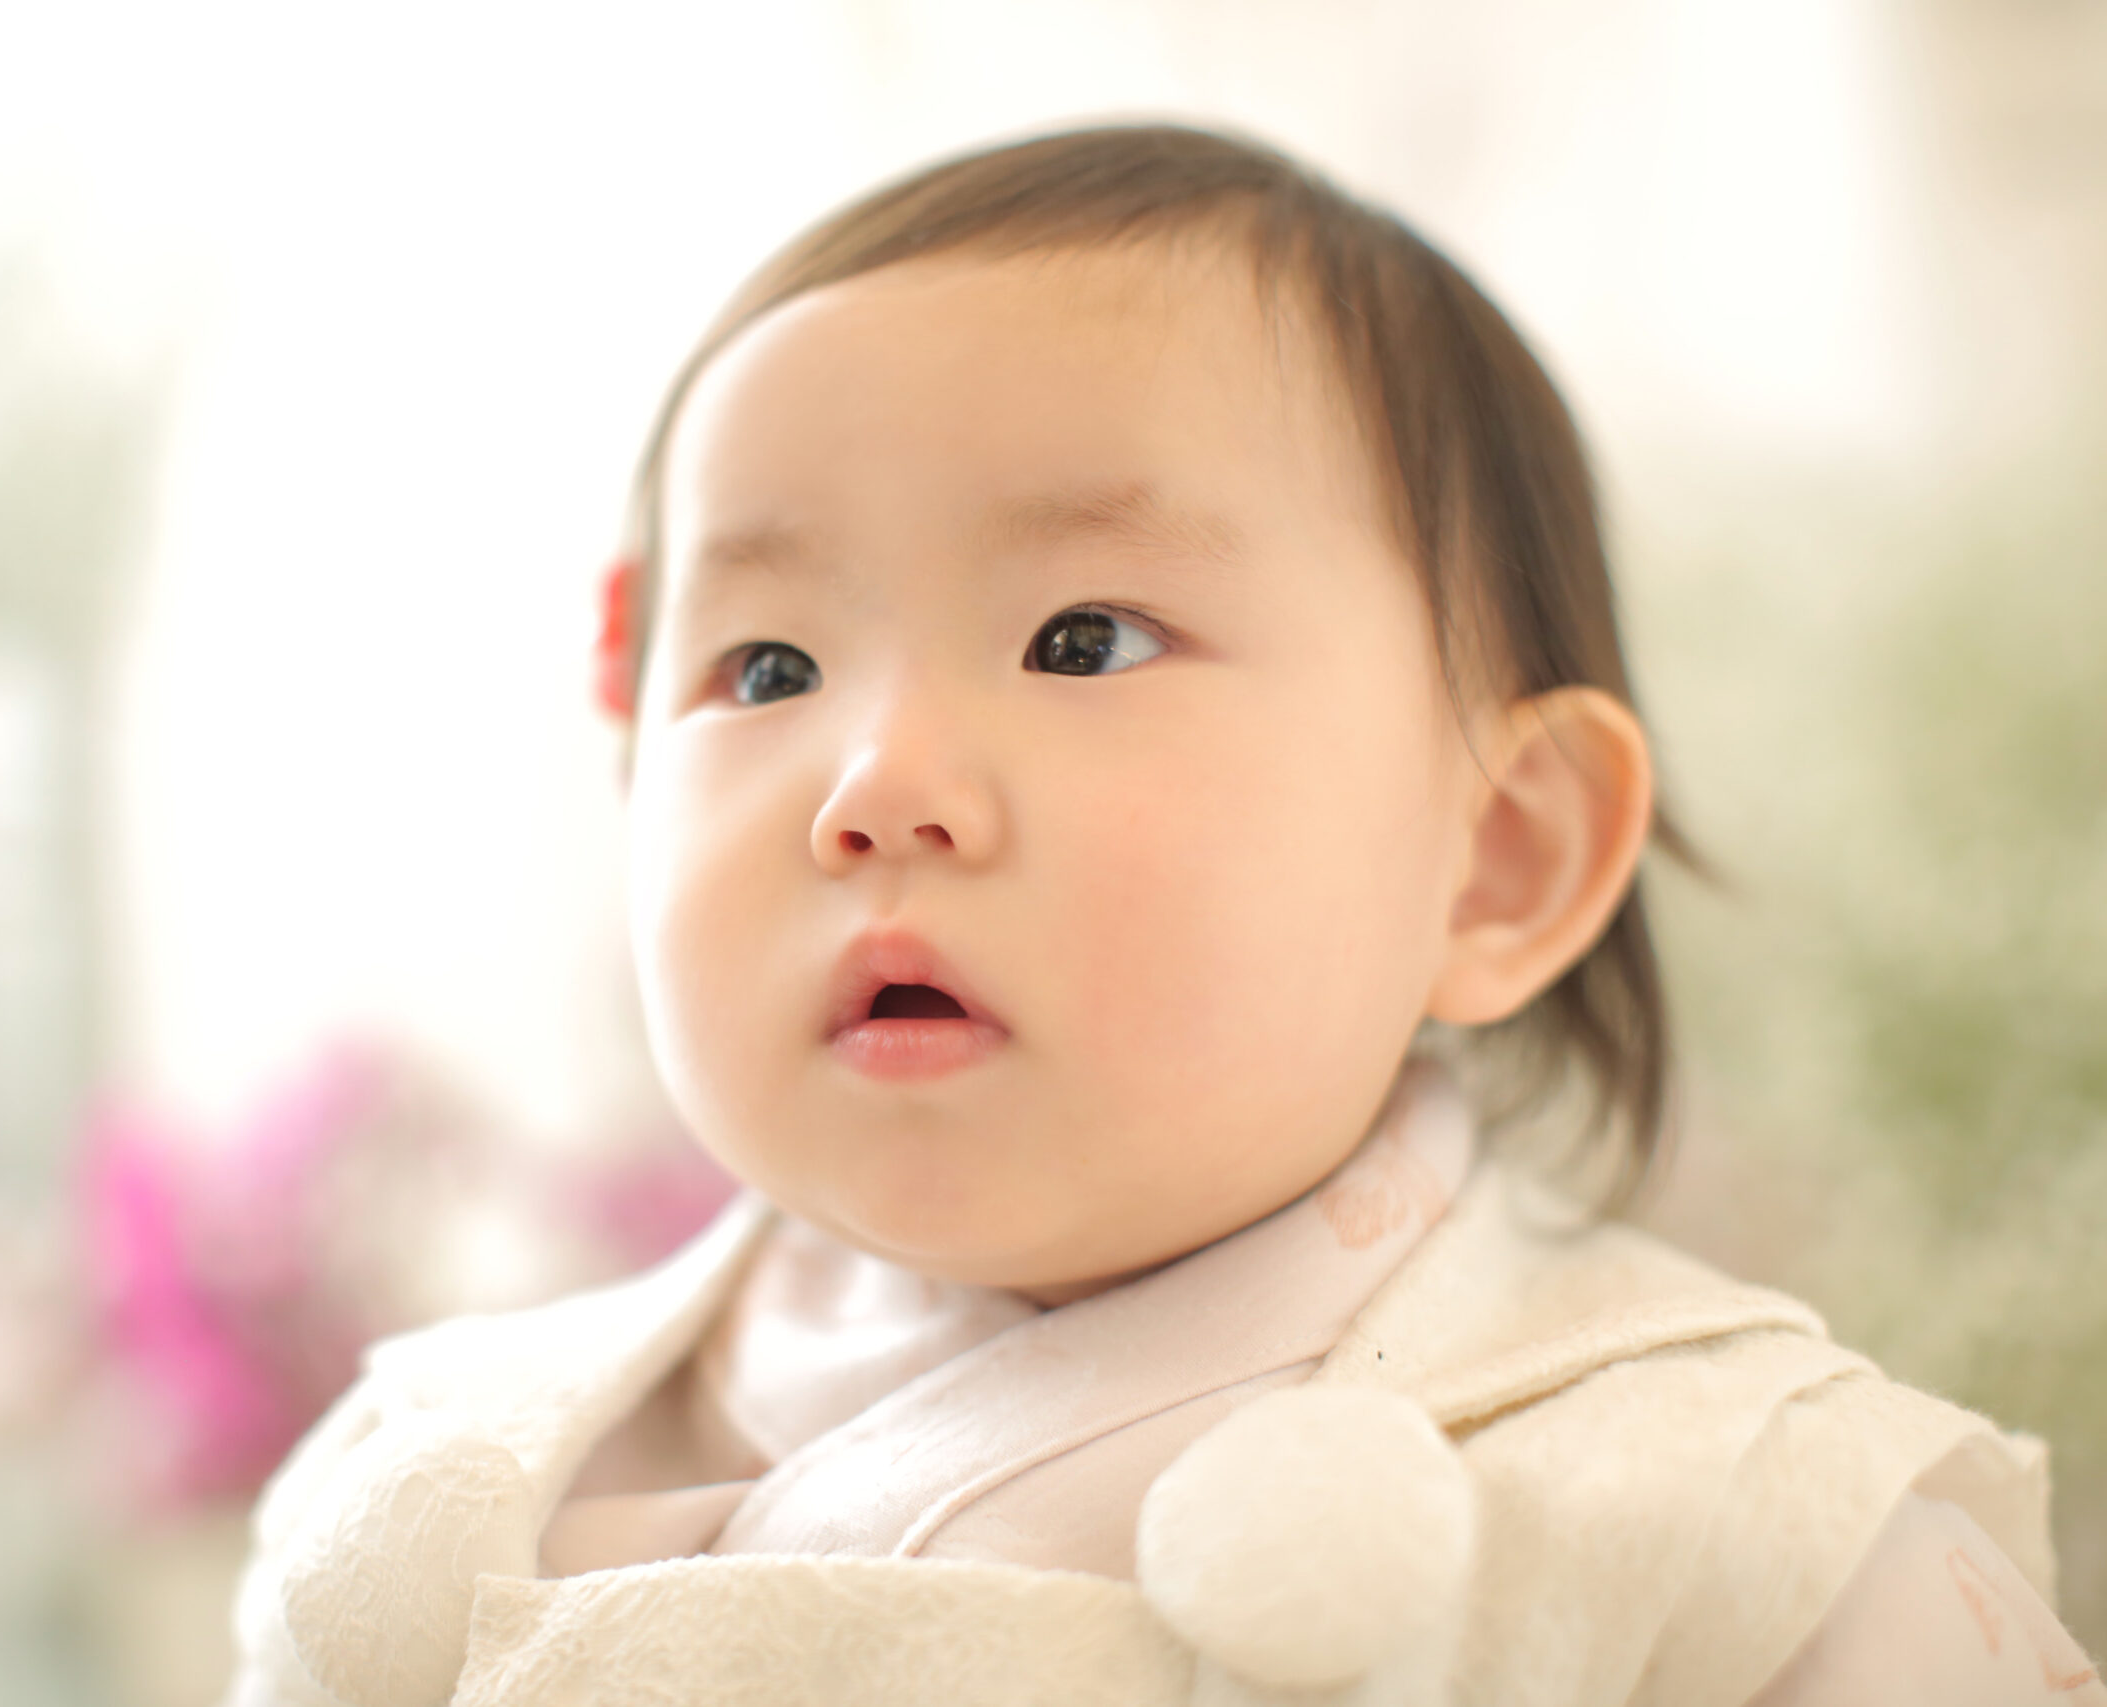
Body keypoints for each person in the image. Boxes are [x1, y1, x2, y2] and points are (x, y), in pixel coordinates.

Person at [224, 125, 2099, 1706]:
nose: (876, 786)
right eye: (769, 665)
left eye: (1083, 640)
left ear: (1498, 857)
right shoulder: (442, 1495)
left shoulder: (1732, 1538)